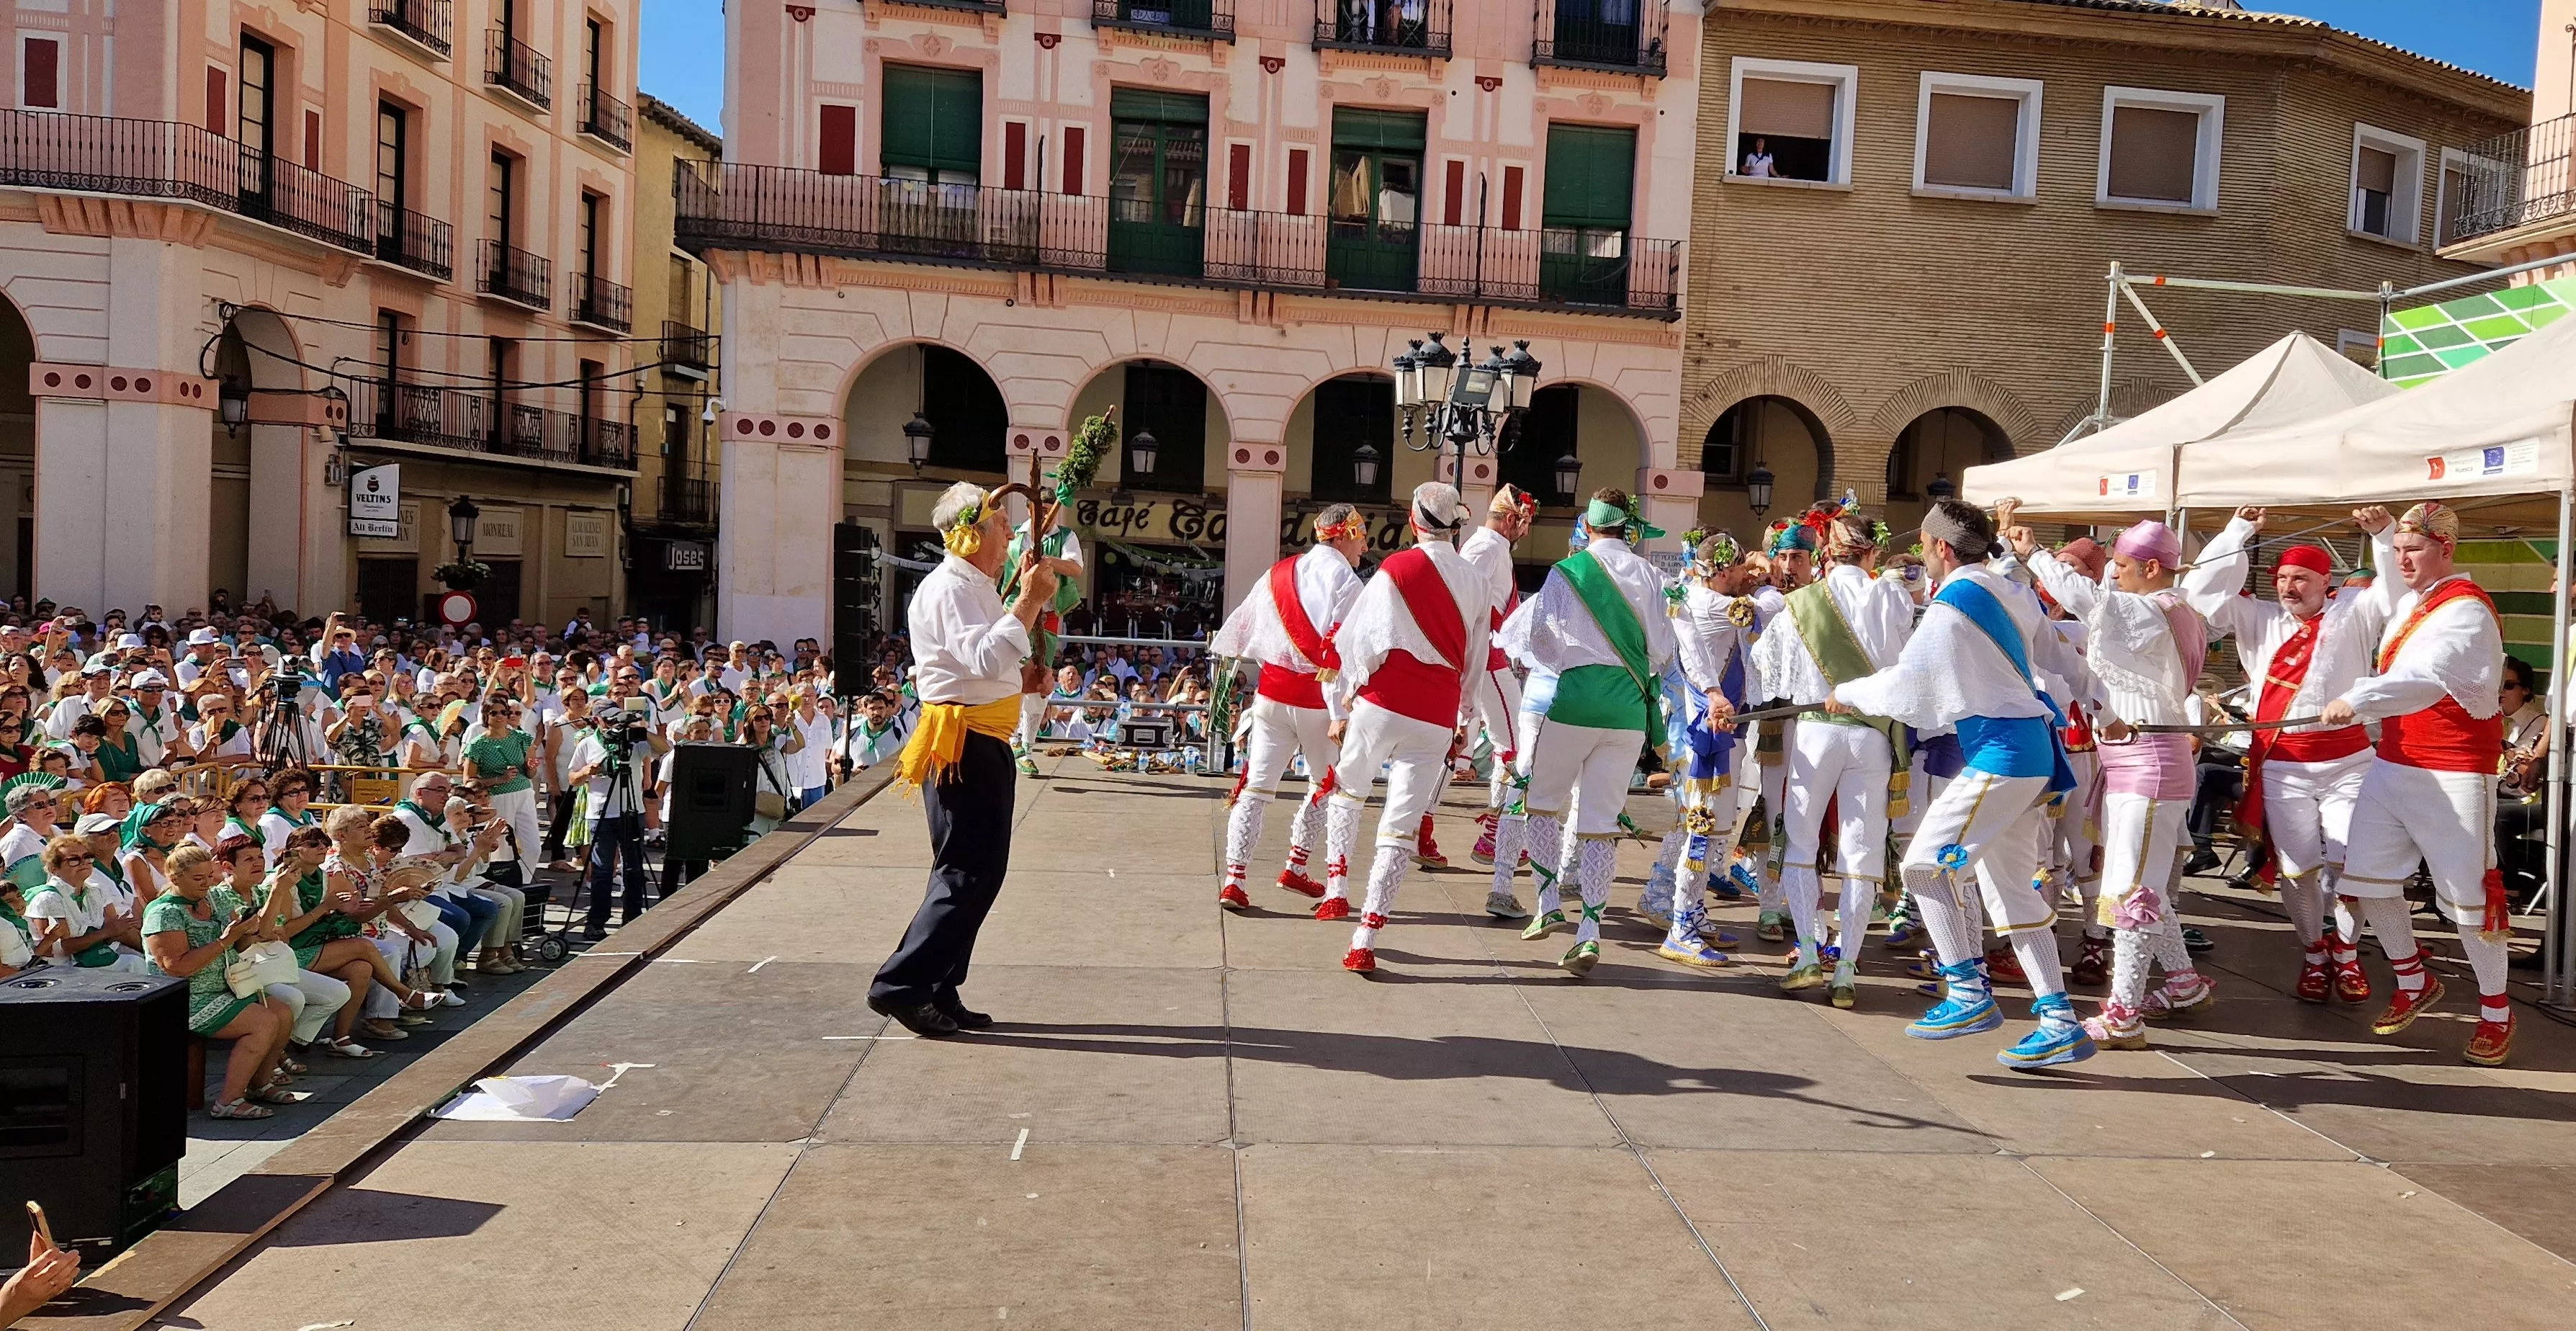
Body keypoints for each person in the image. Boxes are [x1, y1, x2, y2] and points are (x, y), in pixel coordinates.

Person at [1830, 498, 2092, 1069]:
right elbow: (2056, 649)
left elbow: (1910, 687)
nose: (1922, 556)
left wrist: (1847, 692)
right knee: (2012, 892)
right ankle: (2058, 1022)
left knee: (1924, 865)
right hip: (2026, 750)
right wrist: (2102, 704)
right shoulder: (2009, 587)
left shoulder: (1953, 603)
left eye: (1924, 546)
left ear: (1941, 549)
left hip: (2002, 754)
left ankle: (1967, 991)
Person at [2316, 501, 2516, 1065]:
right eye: (2399, 551)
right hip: (2394, 761)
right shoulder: (2418, 600)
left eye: (2415, 550)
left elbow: (2423, 679)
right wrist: (2382, 531)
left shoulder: (2466, 612)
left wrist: (2356, 700)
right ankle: (2411, 978)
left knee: (2471, 900)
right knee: (2369, 877)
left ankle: (2496, 1011)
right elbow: (2390, 579)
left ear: (2445, 549)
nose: (2402, 560)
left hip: (2453, 771)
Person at [869, 480, 1067, 1036]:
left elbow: (984, 662)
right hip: (964, 742)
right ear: (972, 534)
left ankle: (937, 983)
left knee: (975, 870)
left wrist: (1022, 675)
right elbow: (980, 659)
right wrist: (1027, 601)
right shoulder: (950, 587)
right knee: (966, 872)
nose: (1010, 530)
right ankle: (902, 986)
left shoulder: (974, 584)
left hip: (981, 739)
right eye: (1001, 522)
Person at [2181, 506, 2400, 1004]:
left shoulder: (2353, 611)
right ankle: (2313, 954)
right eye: (2280, 578)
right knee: (2297, 867)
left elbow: (2394, 596)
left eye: (2300, 578)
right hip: (2282, 763)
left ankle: (2345, 952)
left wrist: (2383, 536)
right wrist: (2238, 531)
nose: (2287, 587)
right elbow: (2199, 594)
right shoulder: (2255, 616)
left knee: (2348, 861)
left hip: (2347, 760)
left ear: (2326, 582)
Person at [2015, 509, 2215, 1052]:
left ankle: (2124, 1012)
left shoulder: (2152, 610)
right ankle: (2182, 982)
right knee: (2137, 879)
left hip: (2149, 761)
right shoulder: (2158, 608)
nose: (2114, 575)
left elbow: (2089, 600)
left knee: (2129, 887)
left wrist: (2032, 552)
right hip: (2136, 758)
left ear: (2151, 569)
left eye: (2122, 566)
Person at [1314, 482, 1499, 974]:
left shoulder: (1395, 569)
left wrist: (1348, 695)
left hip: (1383, 702)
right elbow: (1475, 662)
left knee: (1349, 793)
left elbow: (1361, 639)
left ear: (1415, 523)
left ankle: (1336, 888)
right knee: (1399, 828)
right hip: (1436, 715)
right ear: (1455, 525)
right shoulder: (1478, 581)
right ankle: (1366, 935)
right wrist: (1464, 719)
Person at [1494, 488, 1674, 976]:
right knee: (1600, 822)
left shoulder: (1565, 572)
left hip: (1575, 700)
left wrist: (1571, 663)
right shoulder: (1652, 574)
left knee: (1541, 802)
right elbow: (1663, 648)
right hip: (1627, 713)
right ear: (1626, 527)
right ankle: (1590, 931)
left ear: (1589, 527)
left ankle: (1548, 900)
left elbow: (1539, 642)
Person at [1751, 500, 1913, 1003]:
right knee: (1861, 853)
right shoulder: (1893, 597)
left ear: (1826, 553)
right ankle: (1846, 967)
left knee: (1799, 844)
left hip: (1817, 730)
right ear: (1870, 553)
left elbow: (1765, 668)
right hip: (1872, 733)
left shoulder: (1801, 604)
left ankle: (1805, 953)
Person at [1208, 503, 1366, 912]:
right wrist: (1339, 712)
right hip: (1317, 704)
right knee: (1327, 786)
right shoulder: (1347, 583)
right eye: (1362, 535)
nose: (1364, 544)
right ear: (1346, 534)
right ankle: (1300, 867)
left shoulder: (1278, 572)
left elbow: (1243, 627)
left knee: (1256, 788)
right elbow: (1339, 654)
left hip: (1270, 697)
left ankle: (1234, 879)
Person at [1641, 530, 1762, 969]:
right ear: (1725, 570)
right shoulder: (1713, 604)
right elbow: (1775, 611)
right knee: (1702, 829)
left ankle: (1692, 915)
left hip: (1713, 732)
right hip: (1708, 736)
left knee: (1714, 831)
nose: (1749, 574)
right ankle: (1680, 929)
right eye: (1743, 568)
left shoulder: (1694, 596)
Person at [143, 843, 301, 1119]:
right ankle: (228, 1100)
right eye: (198, 879)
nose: (206, 884)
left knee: (282, 1012)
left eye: (209, 877)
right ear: (175, 878)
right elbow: (175, 967)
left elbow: (245, 942)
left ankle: (259, 1083)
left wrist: (253, 923)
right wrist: (225, 940)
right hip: (184, 997)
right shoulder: (164, 912)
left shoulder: (214, 900)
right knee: (263, 1023)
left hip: (225, 986)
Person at [1459, 485, 1537, 904]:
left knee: (1510, 744)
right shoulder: (1487, 547)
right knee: (1515, 746)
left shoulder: (1491, 546)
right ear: (1512, 519)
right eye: (1524, 523)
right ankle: (1496, 835)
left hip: (1491, 654)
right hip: (1487, 657)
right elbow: (1463, 597)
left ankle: (1494, 831)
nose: (1525, 531)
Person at [570, 701, 665, 938]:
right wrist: (586, 772)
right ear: (597, 720)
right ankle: (596, 921)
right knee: (602, 870)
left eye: (615, 718)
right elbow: (572, 778)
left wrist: (638, 728)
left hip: (632, 811)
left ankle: (632, 916)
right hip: (600, 814)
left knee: (633, 868)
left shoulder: (635, 742)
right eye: (608, 719)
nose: (613, 724)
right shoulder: (587, 744)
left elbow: (664, 748)